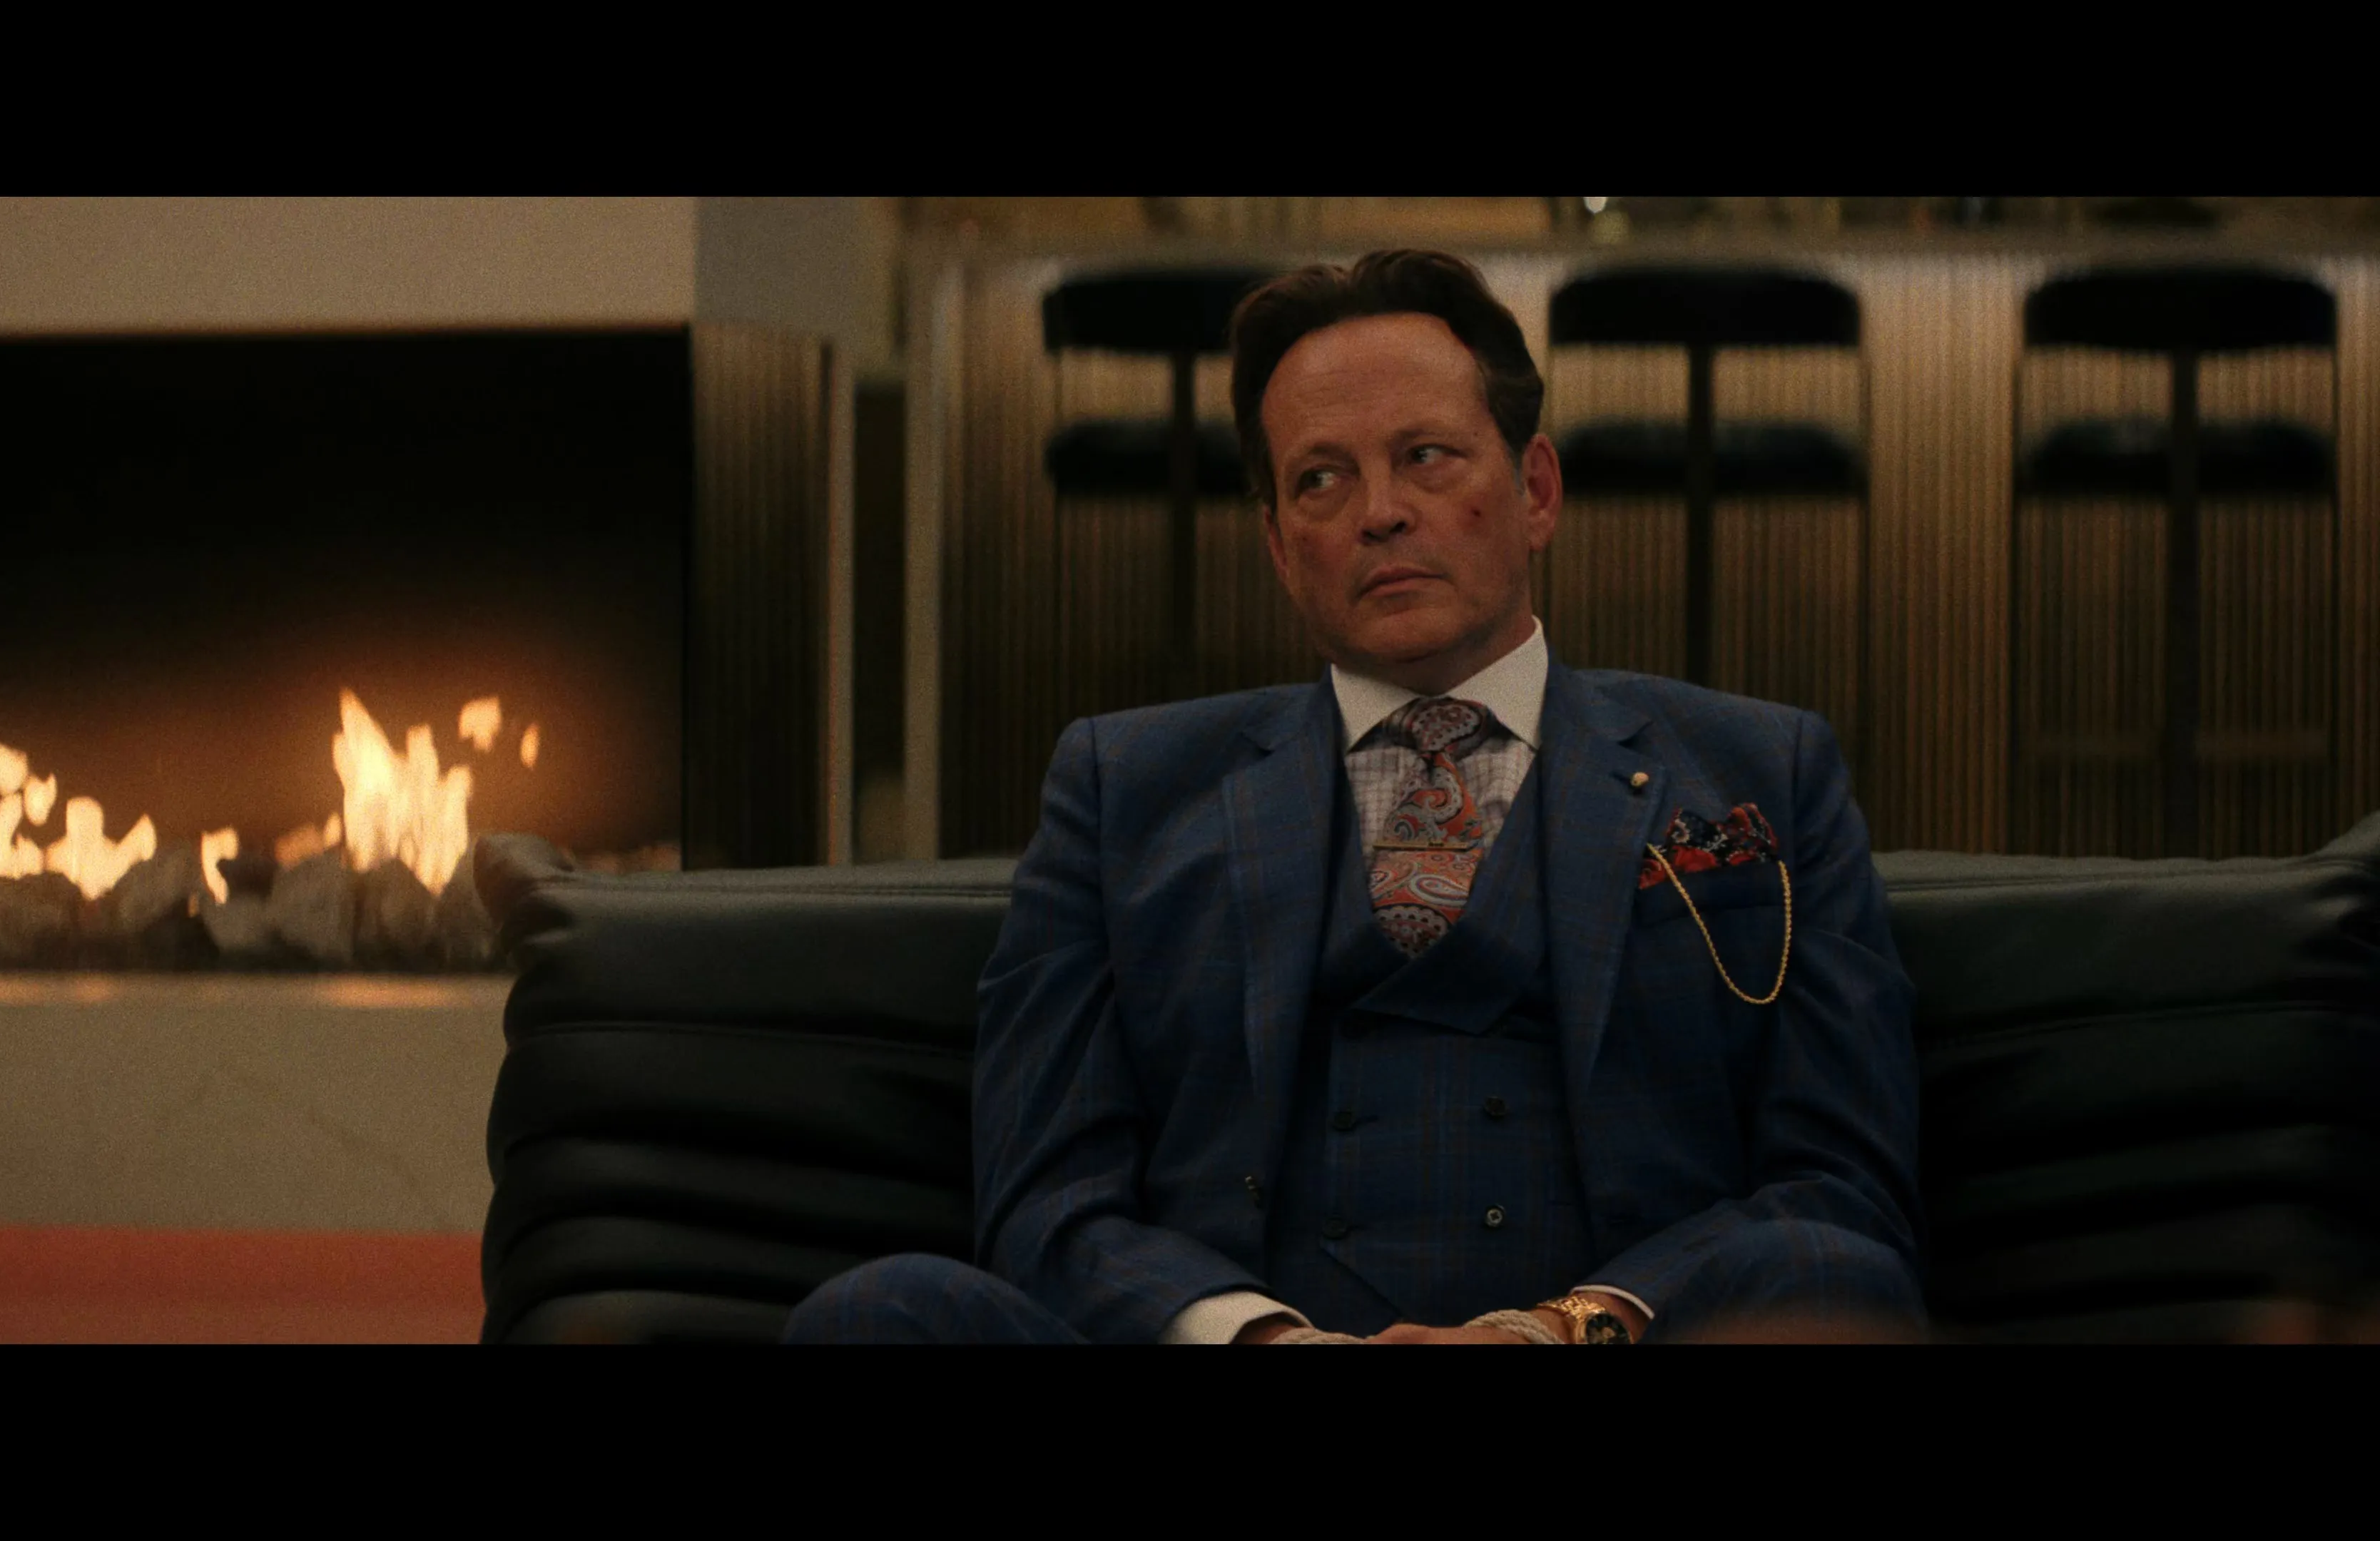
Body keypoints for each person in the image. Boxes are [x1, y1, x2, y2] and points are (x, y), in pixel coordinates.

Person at [785, 250, 1923, 1344]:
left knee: (1840, 1273)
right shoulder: (1119, 788)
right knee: (882, 1313)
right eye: (1321, 479)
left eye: (1427, 456)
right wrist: (1263, 1340)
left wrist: (1562, 1330)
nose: (1380, 511)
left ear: (1534, 491)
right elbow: (1046, 1204)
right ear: (1281, 547)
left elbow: (1840, 1189)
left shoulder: (1763, 770)